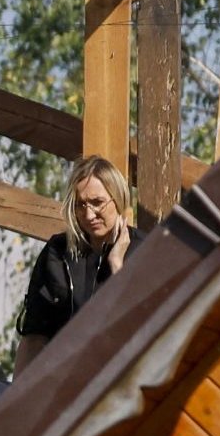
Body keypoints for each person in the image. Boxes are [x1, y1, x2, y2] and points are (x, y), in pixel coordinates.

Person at [17, 153, 137, 365]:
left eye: (97, 203)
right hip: (62, 378)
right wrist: (17, 394)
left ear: (117, 198)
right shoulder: (57, 252)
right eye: (81, 205)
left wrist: (117, 265)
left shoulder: (144, 250)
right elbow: (33, 336)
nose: (89, 215)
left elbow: (142, 327)